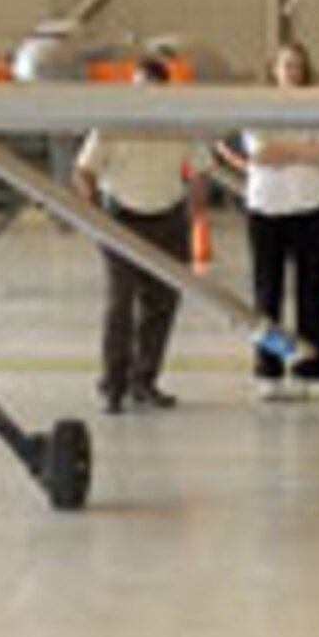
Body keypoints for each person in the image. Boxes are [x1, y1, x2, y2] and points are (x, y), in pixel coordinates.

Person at [74, 57, 211, 415]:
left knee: (162, 303)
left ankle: (144, 381)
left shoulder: (180, 123)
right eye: (139, 88)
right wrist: (92, 212)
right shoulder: (112, 124)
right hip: (121, 219)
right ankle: (112, 386)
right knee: (120, 304)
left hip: (168, 220)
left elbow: (200, 171)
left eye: (152, 89)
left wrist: (195, 213)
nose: (145, 95)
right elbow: (84, 170)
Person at [239, 43, 319, 403]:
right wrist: (302, 149)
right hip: (266, 209)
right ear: (273, 70)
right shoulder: (256, 107)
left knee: (311, 293)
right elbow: (260, 154)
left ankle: (310, 368)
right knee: (268, 293)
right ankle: (269, 369)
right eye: (286, 66)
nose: (292, 72)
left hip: (313, 207)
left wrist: (286, 150)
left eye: (298, 66)